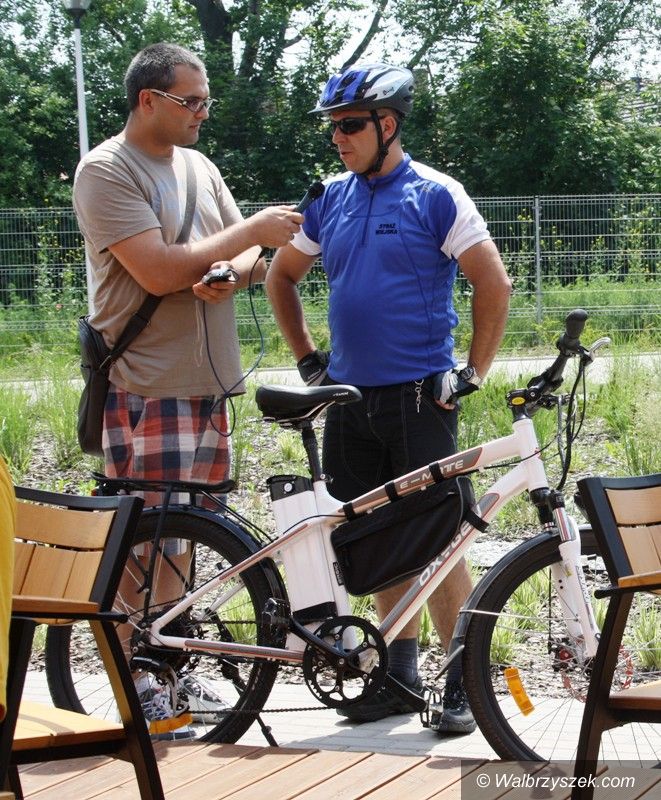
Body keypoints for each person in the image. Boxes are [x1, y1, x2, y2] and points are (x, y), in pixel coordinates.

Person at [266, 63, 511, 734]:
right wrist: (308, 361)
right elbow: (281, 277)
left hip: (418, 399)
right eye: (332, 128)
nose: (337, 138)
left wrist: (471, 372)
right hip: (349, 402)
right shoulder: (330, 198)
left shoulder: (434, 194)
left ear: (388, 124)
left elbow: (493, 283)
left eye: (349, 125)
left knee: (439, 543)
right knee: (374, 543)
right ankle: (398, 678)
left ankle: (462, 681)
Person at [72, 42, 303, 734]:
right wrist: (250, 232)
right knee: (141, 543)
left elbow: (244, 255)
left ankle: (167, 665)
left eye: (206, 101)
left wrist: (232, 267)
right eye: (192, 101)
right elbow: (159, 270)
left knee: (183, 540)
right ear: (149, 100)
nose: (203, 113)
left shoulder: (199, 168)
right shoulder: (106, 170)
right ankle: (133, 679)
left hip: (207, 389)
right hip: (147, 386)